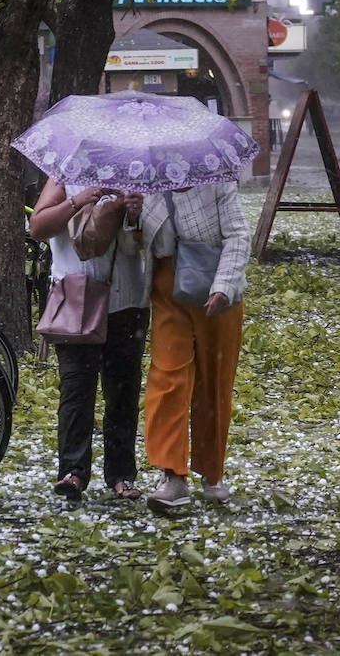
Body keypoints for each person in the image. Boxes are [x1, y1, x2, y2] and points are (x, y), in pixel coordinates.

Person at [30, 180, 148, 502]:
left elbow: (147, 244)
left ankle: (121, 474)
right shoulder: (64, 175)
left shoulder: (135, 176)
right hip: (75, 300)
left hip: (127, 302)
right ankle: (73, 471)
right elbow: (37, 227)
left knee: (122, 393)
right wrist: (76, 201)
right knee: (76, 391)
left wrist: (136, 216)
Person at [136, 181, 250, 510]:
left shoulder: (218, 180)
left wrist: (225, 286)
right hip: (169, 288)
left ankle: (211, 471)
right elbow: (138, 247)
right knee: (166, 376)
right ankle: (172, 475)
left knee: (214, 382)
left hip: (214, 284)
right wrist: (134, 218)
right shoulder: (148, 181)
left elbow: (239, 236)